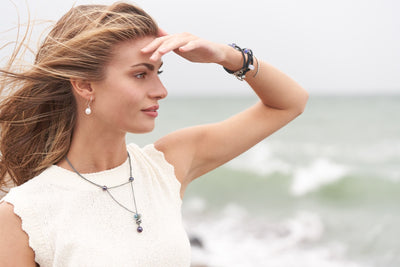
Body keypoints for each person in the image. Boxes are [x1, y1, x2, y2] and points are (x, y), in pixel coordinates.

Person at [0, 2, 308, 266]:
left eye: (157, 73)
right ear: (84, 84)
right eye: (140, 74)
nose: (160, 91)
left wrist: (227, 56)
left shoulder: (167, 166)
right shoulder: (24, 215)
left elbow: (290, 103)